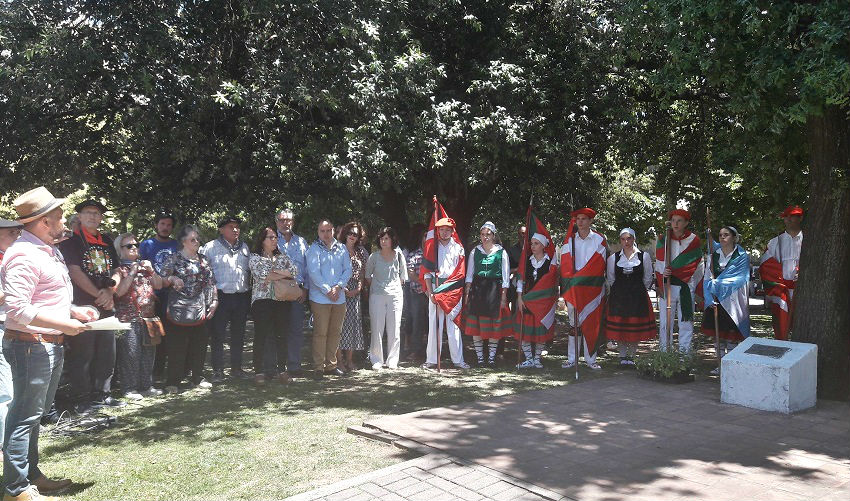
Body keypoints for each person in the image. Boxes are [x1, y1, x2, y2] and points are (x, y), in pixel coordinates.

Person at [2, 186, 96, 500]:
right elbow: (17, 308)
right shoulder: (23, 254)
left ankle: (31, 475)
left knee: (33, 413)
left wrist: (73, 311)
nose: (63, 222)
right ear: (43, 222)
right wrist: (65, 324)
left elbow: (45, 298)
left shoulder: (47, 249)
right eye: (58, 218)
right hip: (30, 345)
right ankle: (17, 488)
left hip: (45, 343)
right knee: (23, 414)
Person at [58, 199, 124, 412]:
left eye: (97, 213)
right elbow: (75, 272)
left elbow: (117, 271)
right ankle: (81, 398)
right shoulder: (70, 242)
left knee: (107, 352)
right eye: (88, 212)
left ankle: (102, 394)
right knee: (82, 354)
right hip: (83, 306)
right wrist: (98, 294)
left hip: (107, 304)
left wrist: (110, 291)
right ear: (79, 216)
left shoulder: (106, 240)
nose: (93, 216)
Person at [160, 225, 218, 393]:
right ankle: (173, 381)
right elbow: (161, 280)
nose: (197, 242)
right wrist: (171, 278)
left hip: (200, 308)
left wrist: (214, 301)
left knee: (199, 345)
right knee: (176, 346)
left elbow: (211, 282)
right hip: (178, 309)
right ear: (183, 241)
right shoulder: (173, 259)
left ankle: (197, 378)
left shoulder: (204, 259)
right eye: (193, 239)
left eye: (198, 239)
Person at [113, 233, 165, 400]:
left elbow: (158, 285)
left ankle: (146, 386)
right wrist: (132, 272)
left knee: (149, 354)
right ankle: (129, 389)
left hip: (149, 318)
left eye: (136, 244)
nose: (134, 247)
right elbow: (118, 292)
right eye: (129, 245)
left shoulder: (145, 267)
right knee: (130, 355)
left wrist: (151, 271)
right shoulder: (119, 269)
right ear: (120, 250)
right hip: (128, 318)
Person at [202, 216, 251, 380]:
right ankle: (218, 370)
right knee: (218, 335)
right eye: (231, 227)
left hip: (241, 297)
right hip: (220, 297)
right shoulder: (209, 248)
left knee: (239, 334)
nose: (235, 229)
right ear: (221, 229)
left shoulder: (245, 247)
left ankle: (237, 369)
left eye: (237, 227)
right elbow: (201, 272)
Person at [248, 227, 297, 384]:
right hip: (261, 302)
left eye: (275, 237)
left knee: (281, 336)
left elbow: (294, 271)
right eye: (271, 237)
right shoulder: (255, 258)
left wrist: (275, 273)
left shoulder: (282, 257)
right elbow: (262, 275)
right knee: (261, 336)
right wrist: (282, 273)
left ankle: (282, 370)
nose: (274, 240)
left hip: (282, 301)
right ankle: (259, 372)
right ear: (262, 240)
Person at [560, 208, 608, 370]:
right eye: (577, 219)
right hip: (574, 288)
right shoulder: (570, 241)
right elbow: (565, 263)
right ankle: (572, 358)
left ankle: (590, 359)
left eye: (583, 219)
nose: (580, 222)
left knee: (591, 322)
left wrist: (579, 278)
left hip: (591, 288)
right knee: (574, 324)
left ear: (590, 221)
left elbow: (597, 265)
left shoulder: (599, 240)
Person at [306, 220, 352, 379]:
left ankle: (331, 366)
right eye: (322, 231)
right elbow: (314, 273)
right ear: (318, 232)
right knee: (320, 333)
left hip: (339, 298)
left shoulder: (342, 248)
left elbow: (348, 270)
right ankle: (319, 367)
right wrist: (327, 290)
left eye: (328, 230)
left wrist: (338, 287)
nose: (325, 234)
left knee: (335, 332)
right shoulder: (313, 249)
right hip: (320, 298)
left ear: (333, 231)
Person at [703, 226, 751, 374]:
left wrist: (716, 283)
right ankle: (720, 363)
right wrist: (708, 297)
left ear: (734, 237)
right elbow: (706, 278)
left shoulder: (741, 256)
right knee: (718, 335)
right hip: (716, 298)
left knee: (731, 334)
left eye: (726, 235)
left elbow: (740, 278)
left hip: (734, 299)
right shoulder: (713, 256)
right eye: (720, 234)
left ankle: (730, 365)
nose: (722, 237)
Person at [654, 209, 704, 353]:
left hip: (686, 286)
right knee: (665, 323)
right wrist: (664, 271)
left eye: (679, 221)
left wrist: (693, 283)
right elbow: (659, 261)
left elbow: (698, 265)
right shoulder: (663, 239)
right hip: (667, 285)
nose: (675, 224)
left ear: (686, 223)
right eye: (673, 220)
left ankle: (684, 356)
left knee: (686, 322)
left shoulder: (693, 240)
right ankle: (665, 354)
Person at [605, 228, 656, 367]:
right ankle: (622, 356)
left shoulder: (643, 256)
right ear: (620, 240)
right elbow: (611, 278)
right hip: (619, 297)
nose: (626, 242)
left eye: (629, 238)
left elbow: (647, 277)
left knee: (634, 328)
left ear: (634, 239)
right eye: (623, 239)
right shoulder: (613, 258)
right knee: (621, 327)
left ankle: (632, 355)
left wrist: (637, 289)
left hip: (637, 296)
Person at [422, 217, 469, 369]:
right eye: (441, 229)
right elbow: (427, 273)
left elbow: (461, 272)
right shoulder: (431, 248)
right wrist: (430, 293)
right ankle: (432, 360)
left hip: (453, 290)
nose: (444, 232)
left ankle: (458, 360)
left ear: (452, 231)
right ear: (437, 230)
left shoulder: (458, 248)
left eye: (447, 229)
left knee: (453, 325)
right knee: (434, 325)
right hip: (436, 289)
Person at [464, 222, 511, 368]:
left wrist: (503, 297)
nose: (485, 237)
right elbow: (469, 274)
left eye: (488, 234)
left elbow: (505, 276)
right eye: (483, 234)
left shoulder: (501, 252)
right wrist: (467, 293)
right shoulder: (475, 251)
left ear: (494, 235)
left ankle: (491, 358)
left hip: (494, 290)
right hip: (477, 289)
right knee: (476, 325)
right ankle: (480, 358)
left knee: (493, 326)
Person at [140, 211, 178, 381]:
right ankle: (154, 371)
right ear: (156, 225)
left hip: (173, 296)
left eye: (169, 225)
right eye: (162, 224)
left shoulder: (177, 245)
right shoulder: (146, 245)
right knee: (154, 334)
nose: (165, 228)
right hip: (152, 297)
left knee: (171, 333)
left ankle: (172, 370)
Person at [365, 227, 408, 370]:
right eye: (382, 238)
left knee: (394, 328)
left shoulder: (399, 255)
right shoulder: (373, 257)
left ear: (392, 240)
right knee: (377, 328)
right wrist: (379, 288)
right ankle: (376, 359)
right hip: (377, 296)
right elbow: (367, 277)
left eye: (387, 238)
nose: (383, 241)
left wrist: (392, 289)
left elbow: (403, 278)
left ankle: (392, 360)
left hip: (395, 296)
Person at [515, 230, 558, 369]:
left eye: (536, 244)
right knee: (526, 331)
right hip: (527, 300)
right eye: (532, 243)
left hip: (543, 303)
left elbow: (552, 282)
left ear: (543, 246)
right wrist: (520, 298)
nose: (532, 246)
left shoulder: (550, 263)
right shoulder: (526, 261)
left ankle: (537, 358)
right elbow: (520, 280)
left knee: (540, 331)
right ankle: (528, 359)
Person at [759, 206, 803, 340]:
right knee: (781, 325)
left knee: (802, 324)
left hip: (803, 290)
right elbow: (766, 266)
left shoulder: (810, 240)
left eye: (792, 216)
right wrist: (778, 282)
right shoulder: (774, 242)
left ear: (800, 218)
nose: (788, 219)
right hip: (781, 290)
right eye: (786, 216)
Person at [275, 209, 310, 377]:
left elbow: (308, 268)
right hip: (277, 292)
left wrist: (305, 289)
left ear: (293, 222)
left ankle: (294, 366)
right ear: (276, 222)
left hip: (297, 292)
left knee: (296, 330)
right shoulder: (271, 240)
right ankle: (277, 366)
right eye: (282, 220)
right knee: (276, 330)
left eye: (288, 220)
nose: (285, 223)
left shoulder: (302, 242)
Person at [0, 218, 23, 452]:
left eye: (18, 232)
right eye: (12, 233)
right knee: (6, 390)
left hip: (12, 327)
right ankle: (4, 444)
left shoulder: (10, 258)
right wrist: (17, 288)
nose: (17, 236)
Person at [336, 222, 367, 372]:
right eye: (350, 233)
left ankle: (349, 360)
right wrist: (343, 288)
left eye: (356, 234)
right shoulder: (338, 249)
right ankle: (338, 361)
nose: (352, 236)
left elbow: (362, 273)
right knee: (339, 327)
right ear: (345, 233)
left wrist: (358, 289)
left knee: (353, 327)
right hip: (340, 291)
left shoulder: (361, 252)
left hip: (355, 293)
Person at [403, 230, 428, 361]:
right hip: (417, 293)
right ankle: (416, 351)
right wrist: (424, 284)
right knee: (417, 323)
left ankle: (433, 351)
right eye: (424, 236)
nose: (426, 238)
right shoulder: (413, 254)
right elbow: (411, 274)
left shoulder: (435, 255)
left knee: (432, 323)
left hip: (432, 295)